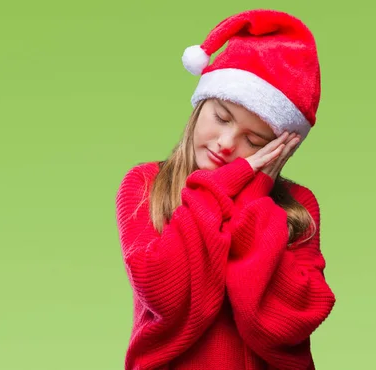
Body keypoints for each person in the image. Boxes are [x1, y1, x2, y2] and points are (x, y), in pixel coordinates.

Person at [114, 9, 336, 370]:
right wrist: (223, 185)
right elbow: (165, 295)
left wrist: (254, 191)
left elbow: (280, 325)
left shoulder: (298, 207)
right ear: (201, 104)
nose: (227, 143)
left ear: (277, 149)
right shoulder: (146, 185)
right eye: (221, 117)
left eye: (254, 139)